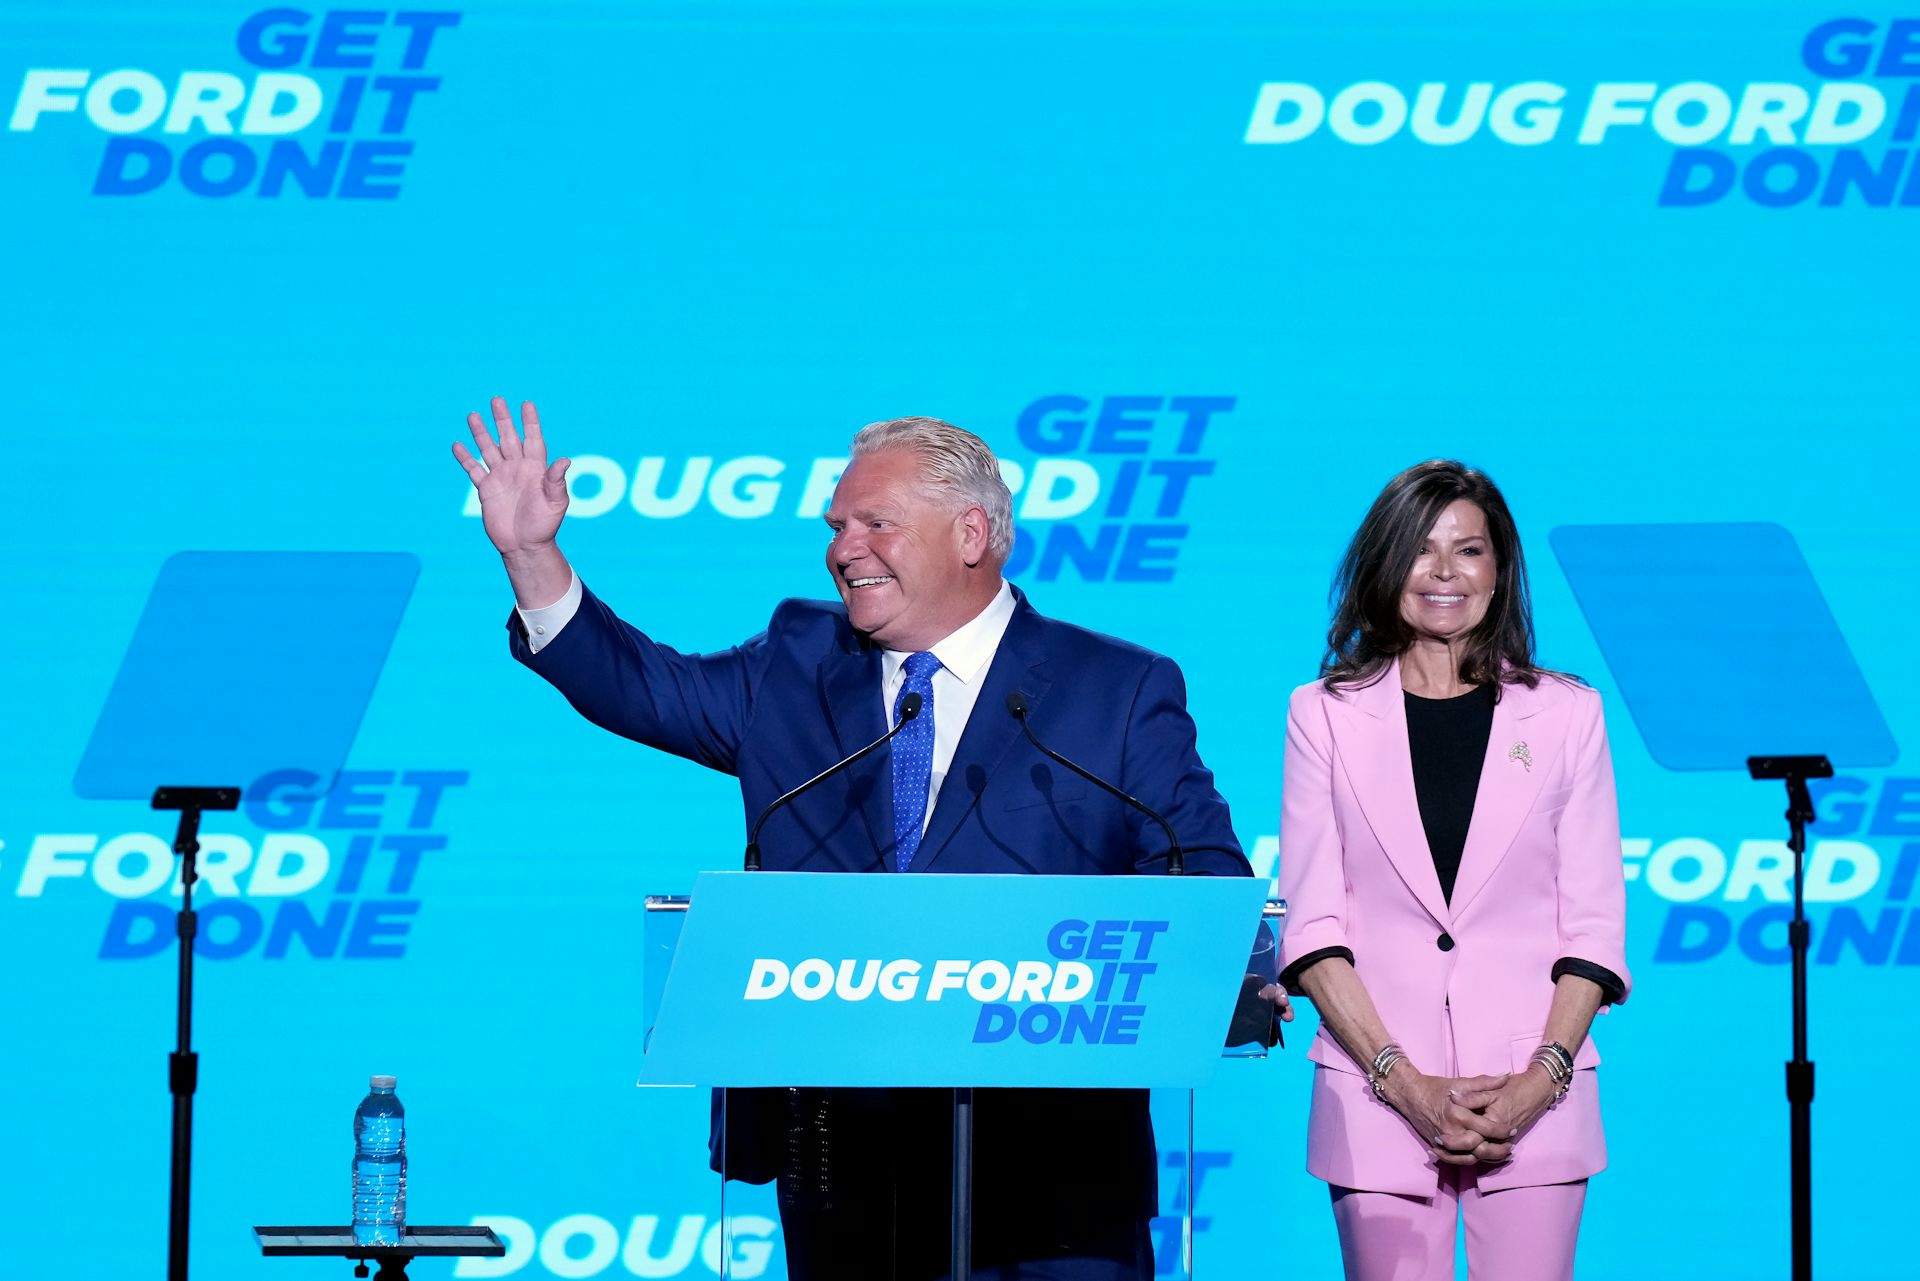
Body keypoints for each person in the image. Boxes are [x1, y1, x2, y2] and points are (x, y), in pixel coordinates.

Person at [453, 399, 1276, 1281]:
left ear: (971, 533)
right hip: (843, 1172)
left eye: (875, 524)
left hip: (1054, 1180)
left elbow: (1205, 883)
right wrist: (531, 556)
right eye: (837, 527)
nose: (845, 549)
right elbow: (642, 688)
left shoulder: (1111, 687)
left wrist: (1229, 963)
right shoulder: (798, 661)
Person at [1275, 460, 1629, 1281]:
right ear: (1385, 565)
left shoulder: (1569, 713)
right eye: (1422, 550)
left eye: (1469, 550)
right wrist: (1403, 1082)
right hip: (1375, 1088)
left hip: (1534, 1093)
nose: (1444, 572)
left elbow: (1594, 925)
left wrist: (1540, 1081)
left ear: (1499, 569)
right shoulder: (1321, 714)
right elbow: (1315, 924)